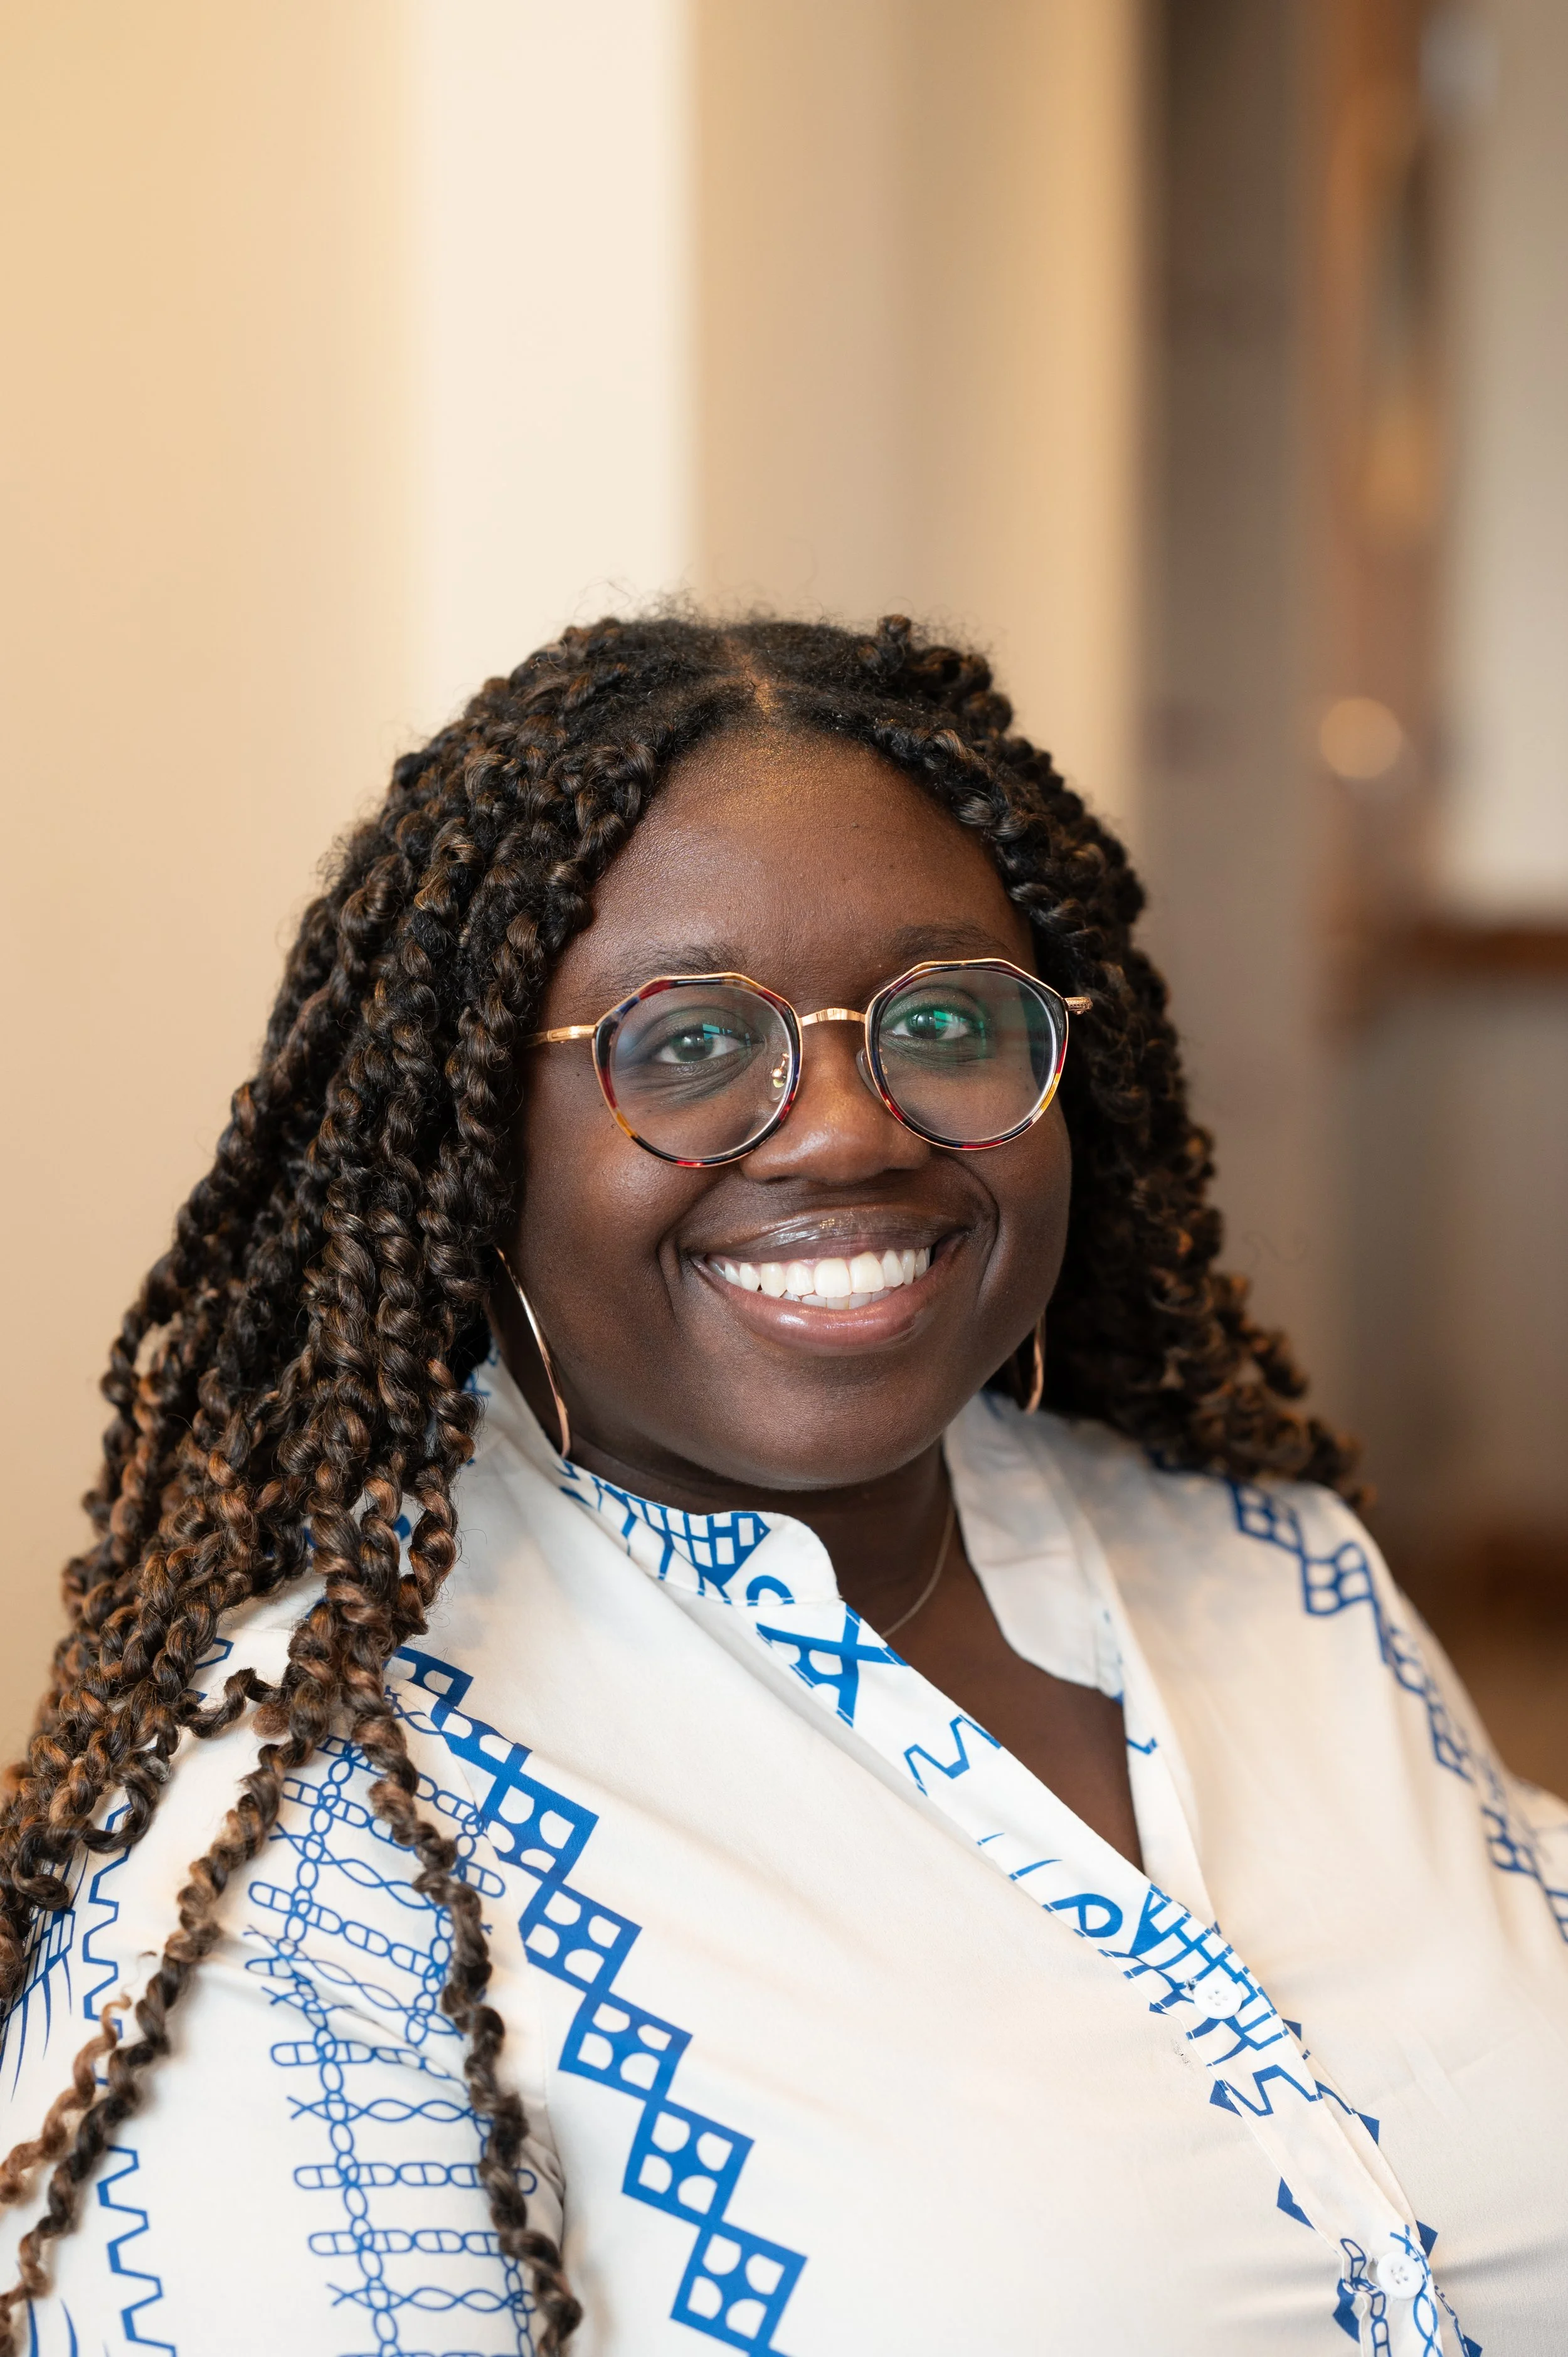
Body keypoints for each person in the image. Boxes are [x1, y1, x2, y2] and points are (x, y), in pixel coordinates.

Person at [0, 615, 1562, 2356]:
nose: (841, 1127)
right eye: (681, 1044)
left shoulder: (1269, 1562)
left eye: (947, 1017)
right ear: (469, 1139)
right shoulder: (320, 1841)